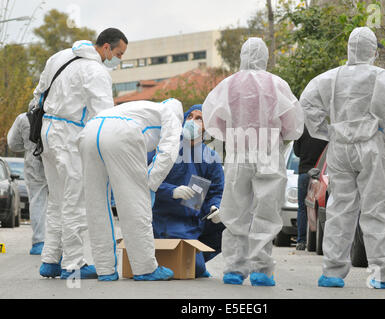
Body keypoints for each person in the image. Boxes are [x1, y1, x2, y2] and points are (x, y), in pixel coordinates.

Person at [300, 27, 385, 289]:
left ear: (349, 49)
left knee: (340, 208)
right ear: (373, 51)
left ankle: (332, 272)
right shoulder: (383, 77)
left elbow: (306, 102)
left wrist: (325, 131)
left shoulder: (330, 78)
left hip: (340, 147)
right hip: (373, 145)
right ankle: (383, 273)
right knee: (377, 210)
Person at [202, 37, 304, 286]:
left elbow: (213, 118)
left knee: (235, 211)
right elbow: (293, 124)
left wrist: (233, 135)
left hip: (238, 153)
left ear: (242, 56)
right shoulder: (276, 84)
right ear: (265, 57)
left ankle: (233, 269)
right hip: (268, 153)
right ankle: (261, 270)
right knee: (266, 212)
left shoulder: (228, 85)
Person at [34, 28, 128, 279]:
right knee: (74, 201)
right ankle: (73, 265)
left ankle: (50, 260)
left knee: (56, 199)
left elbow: (39, 92)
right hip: (69, 135)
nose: (117, 59)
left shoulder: (60, 56)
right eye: (118, 53)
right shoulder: (96, 72)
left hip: (47, 131)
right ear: (106, 47)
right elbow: (104, 115)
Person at [78, 98, 184, 281]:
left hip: (89, 131)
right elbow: (168, 152)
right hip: (122, 133)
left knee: (96, 203)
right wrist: (150, 182)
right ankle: (145, 268)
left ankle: (105, 269)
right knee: (134, 204)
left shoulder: (143, 107)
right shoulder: (171, 116)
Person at [151, 104, 225, 278]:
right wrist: (172, 191)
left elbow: (217, 192)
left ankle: (194, 258)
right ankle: (192, 261)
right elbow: (145, 179)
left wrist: (216, 207)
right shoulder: (166, 149)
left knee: (232, 222)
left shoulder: (211, 158)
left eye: (199, 118)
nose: (192, 121)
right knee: (195, 269)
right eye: (189, 117)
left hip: (194, 220)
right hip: (166, 219)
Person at [7, 113, 48, 255]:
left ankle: (40, 242)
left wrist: (28, 145)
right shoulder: (60, 115)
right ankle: (60, 241)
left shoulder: (24, 118)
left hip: (34, 161)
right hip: (57, 159)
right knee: (61, 201)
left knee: (37, 200)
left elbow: (12, 144)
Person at [293, 127, 328, 251]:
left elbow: (296, 152)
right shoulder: (324, 131)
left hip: (304, 172)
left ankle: (301, 241)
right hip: (319, 173)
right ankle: (316, 238)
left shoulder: (301, 131)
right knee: (316, 207)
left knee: (302, 208)